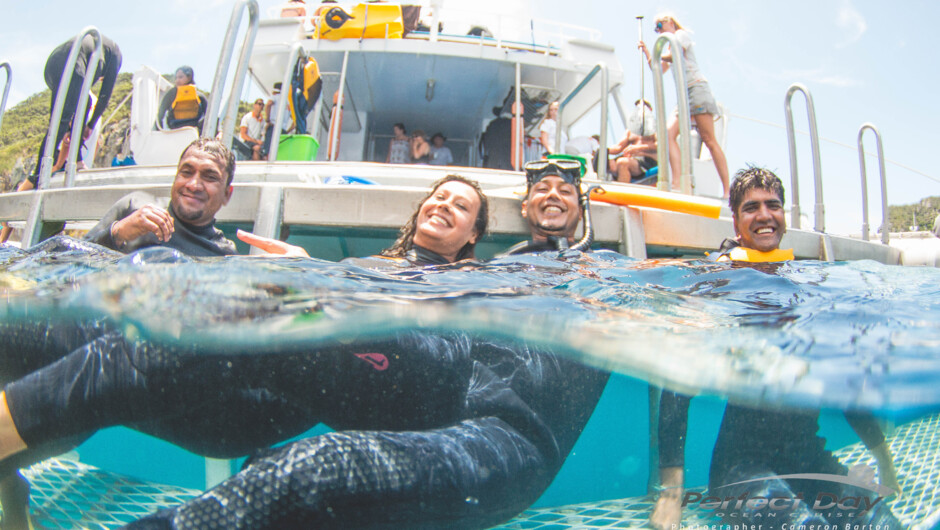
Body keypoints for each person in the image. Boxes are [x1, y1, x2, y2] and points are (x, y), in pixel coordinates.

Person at [0, 166, 609, 528]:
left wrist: (316, 280)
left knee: (247, 303)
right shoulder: (402, 266)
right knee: (140, 280)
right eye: (439, 197)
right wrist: (321, 274)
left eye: (462, 206)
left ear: (476, 234)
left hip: (421, 380)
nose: (444, 206)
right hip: (283, 377)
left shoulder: (501, 276)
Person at [650, 167, 901, 530]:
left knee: (883, 523)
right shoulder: (716, 285)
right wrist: (671, 496)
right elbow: (678, 385)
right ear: (736, 223)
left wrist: (886, 469)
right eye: (752, 208)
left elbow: (845, 384)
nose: (765, 215)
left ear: (784, 216)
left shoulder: (808, 288)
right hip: (740, 471)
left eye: (774, 205)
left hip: (810, 460)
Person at [0, 34, 122, 245]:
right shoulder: (113, 56)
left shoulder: (94, 58)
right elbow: (105, 95)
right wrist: (90, 126)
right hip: (72, 63)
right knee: (64, 120)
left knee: (60, 120)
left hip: (53, 65)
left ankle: (50, 167)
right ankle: (47, 169)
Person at [83, 138, 237, 257]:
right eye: (186, 172)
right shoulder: (134, 207)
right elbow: (69, 259)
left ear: (226, 195)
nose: (193, 185)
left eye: (210, 177)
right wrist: (117, 233)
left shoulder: (223, 254)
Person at [639, 14, 729, 197]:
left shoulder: (680, 36)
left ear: (669, 22)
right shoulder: (668, 44)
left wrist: (658, 53)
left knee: (709, 140)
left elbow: (674, 55)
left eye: (659, 25)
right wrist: (648, 52)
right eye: (655, 29)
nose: (658, 30)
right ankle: (677, 183)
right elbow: (658, 68)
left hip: (696, 88)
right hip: (683, 96)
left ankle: (728, 190)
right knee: (667, 135)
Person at [607, 101, 657, 183]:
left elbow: (661, 145)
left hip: (648, 162)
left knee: (622, 162)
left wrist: (638, 148)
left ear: (650, 109)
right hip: (633, 161)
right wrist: (602, 151)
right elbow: (618, 147)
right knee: (609, 164)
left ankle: (622, 194)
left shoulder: (656, 127)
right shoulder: (630, 131)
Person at [156, 66, 208, 131]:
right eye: (176, 78)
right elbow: (160, 113)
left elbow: (209, 115)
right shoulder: (172, 93)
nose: (177, 80)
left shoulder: (199, 96)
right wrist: (159, 130)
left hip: (193, 130)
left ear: (189, 77)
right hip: (175, 130)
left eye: (180, 77)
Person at [262, 83, 296, 158]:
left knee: (268, 152)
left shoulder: (275, 97)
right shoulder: (289, 102)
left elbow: (268, 104)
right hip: (283, 130)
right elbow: (295, 121)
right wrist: (288, 131)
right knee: (278, 153)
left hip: (273, 127)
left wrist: (267, 119)